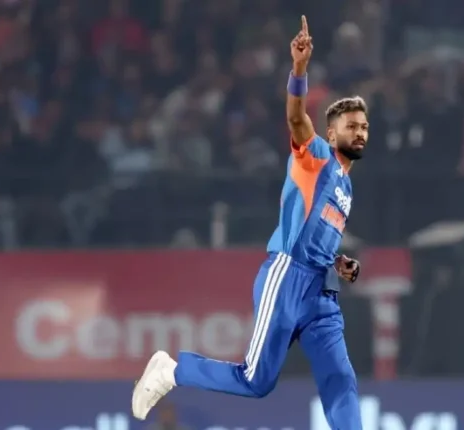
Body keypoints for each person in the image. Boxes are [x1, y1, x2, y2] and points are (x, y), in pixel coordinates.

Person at [131, 16, 366, 429]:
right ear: (331, 134)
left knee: (341, 379)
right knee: (257, 381)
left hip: (322, 292)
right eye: (351, 126)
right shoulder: (316, 157)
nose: (360, 132)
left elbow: (320, 237)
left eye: (364, 126)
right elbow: (296, 118)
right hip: (288, 275)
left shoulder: (346, 188)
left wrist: (340, 264)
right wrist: (299, 69)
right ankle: (173, 371)